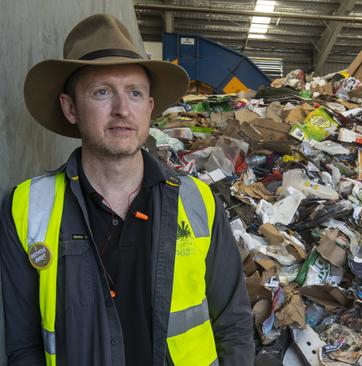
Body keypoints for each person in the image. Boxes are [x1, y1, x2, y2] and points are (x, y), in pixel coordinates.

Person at [0, 14, 253, 366]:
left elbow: (234, 324)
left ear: (149, 107)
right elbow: (24, 344)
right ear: (70, 107)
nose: (122, 109)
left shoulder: (198, 200)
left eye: (134, 93)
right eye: (102, 92)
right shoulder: (25, 208)